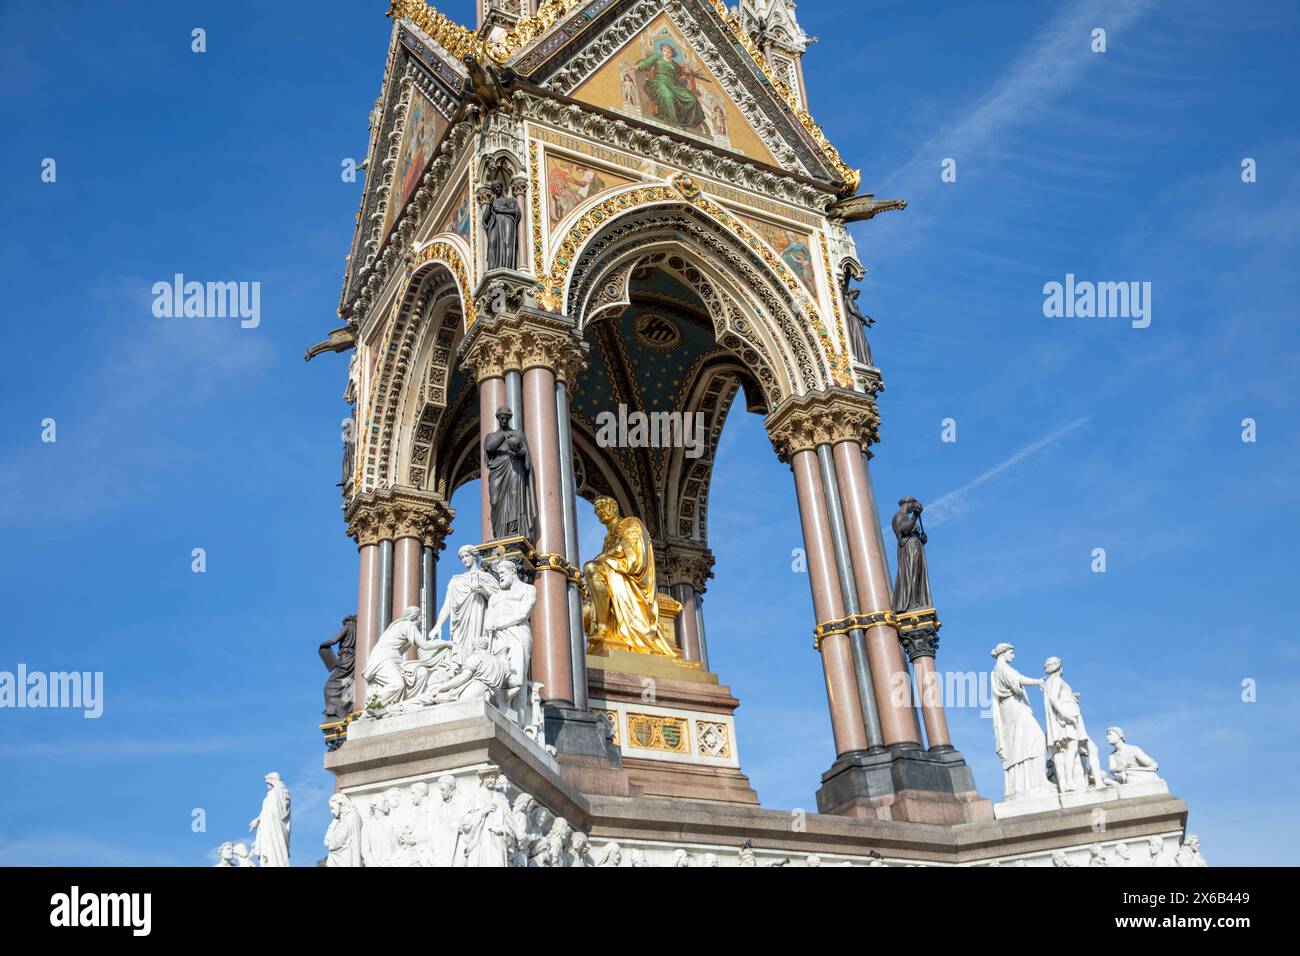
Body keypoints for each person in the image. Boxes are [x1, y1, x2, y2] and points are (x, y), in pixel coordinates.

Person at [583, 497, 679, 658]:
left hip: (630, 578)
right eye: (598, 509)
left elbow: (631, 556)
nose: (602, 511)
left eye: (606, 506)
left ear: (615, 507)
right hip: (617, 575)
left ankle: (603, 625)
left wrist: (601, 558)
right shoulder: (608, 537)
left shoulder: (630, 524)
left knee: (591, 568)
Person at [990, 644, 1052, 800]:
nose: (1013, 656)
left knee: (1020, 745)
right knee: (1036, 739)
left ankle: (1027, 782)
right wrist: (1037, 681)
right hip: (1016, 710)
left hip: (1012, 710)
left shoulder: (997, 669)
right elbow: (1018, 679)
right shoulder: (1002, 668)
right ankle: (1038, 781)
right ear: (1003, 653)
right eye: (1011, 652)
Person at [635, 37, 709, 131]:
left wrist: (686, 77)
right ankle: (672, 121)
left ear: (672, 54)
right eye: (664, 51)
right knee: (668, 96)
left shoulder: (675, 65)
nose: (665, 53)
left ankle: (690, 122)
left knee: (691, 99)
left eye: (668, 52)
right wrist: (638, 66)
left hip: (674, 85)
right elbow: (646, 62)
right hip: (659, 82)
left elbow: (678, 79)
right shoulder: (657, 57)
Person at [485, 406, 535, 540]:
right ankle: (499, 532)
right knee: (495, 501)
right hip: (498, 469)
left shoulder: (517, 434)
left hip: (514, 466)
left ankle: (513, 529)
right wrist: (503, 436)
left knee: (514, 496)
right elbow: (490, 447)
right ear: (498, 419)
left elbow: (524, 452)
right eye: (502, 418)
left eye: (507, 418)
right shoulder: (491, 436)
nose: (504, 420)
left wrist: (517, 450)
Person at [248, 772, 291, 867]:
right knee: (272, 853)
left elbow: (272, 812)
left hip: (273, 828)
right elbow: (267, 810)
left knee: (273, 850)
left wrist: (260, 820)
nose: (266, 785)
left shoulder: (274, 793)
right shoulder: (278, 794)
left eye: (267, 783)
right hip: (270, 826)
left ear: (272, 782)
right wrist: (258, 819)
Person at [324, 793, 362, 868]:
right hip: (341, 858)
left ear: (340, 803)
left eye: (332, 808)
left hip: (344, 859)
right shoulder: (345, 818)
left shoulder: (349, 817)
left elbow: (333, 844)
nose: (332, 811)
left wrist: (333, 826)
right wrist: (333, 824)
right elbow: (327, 842)